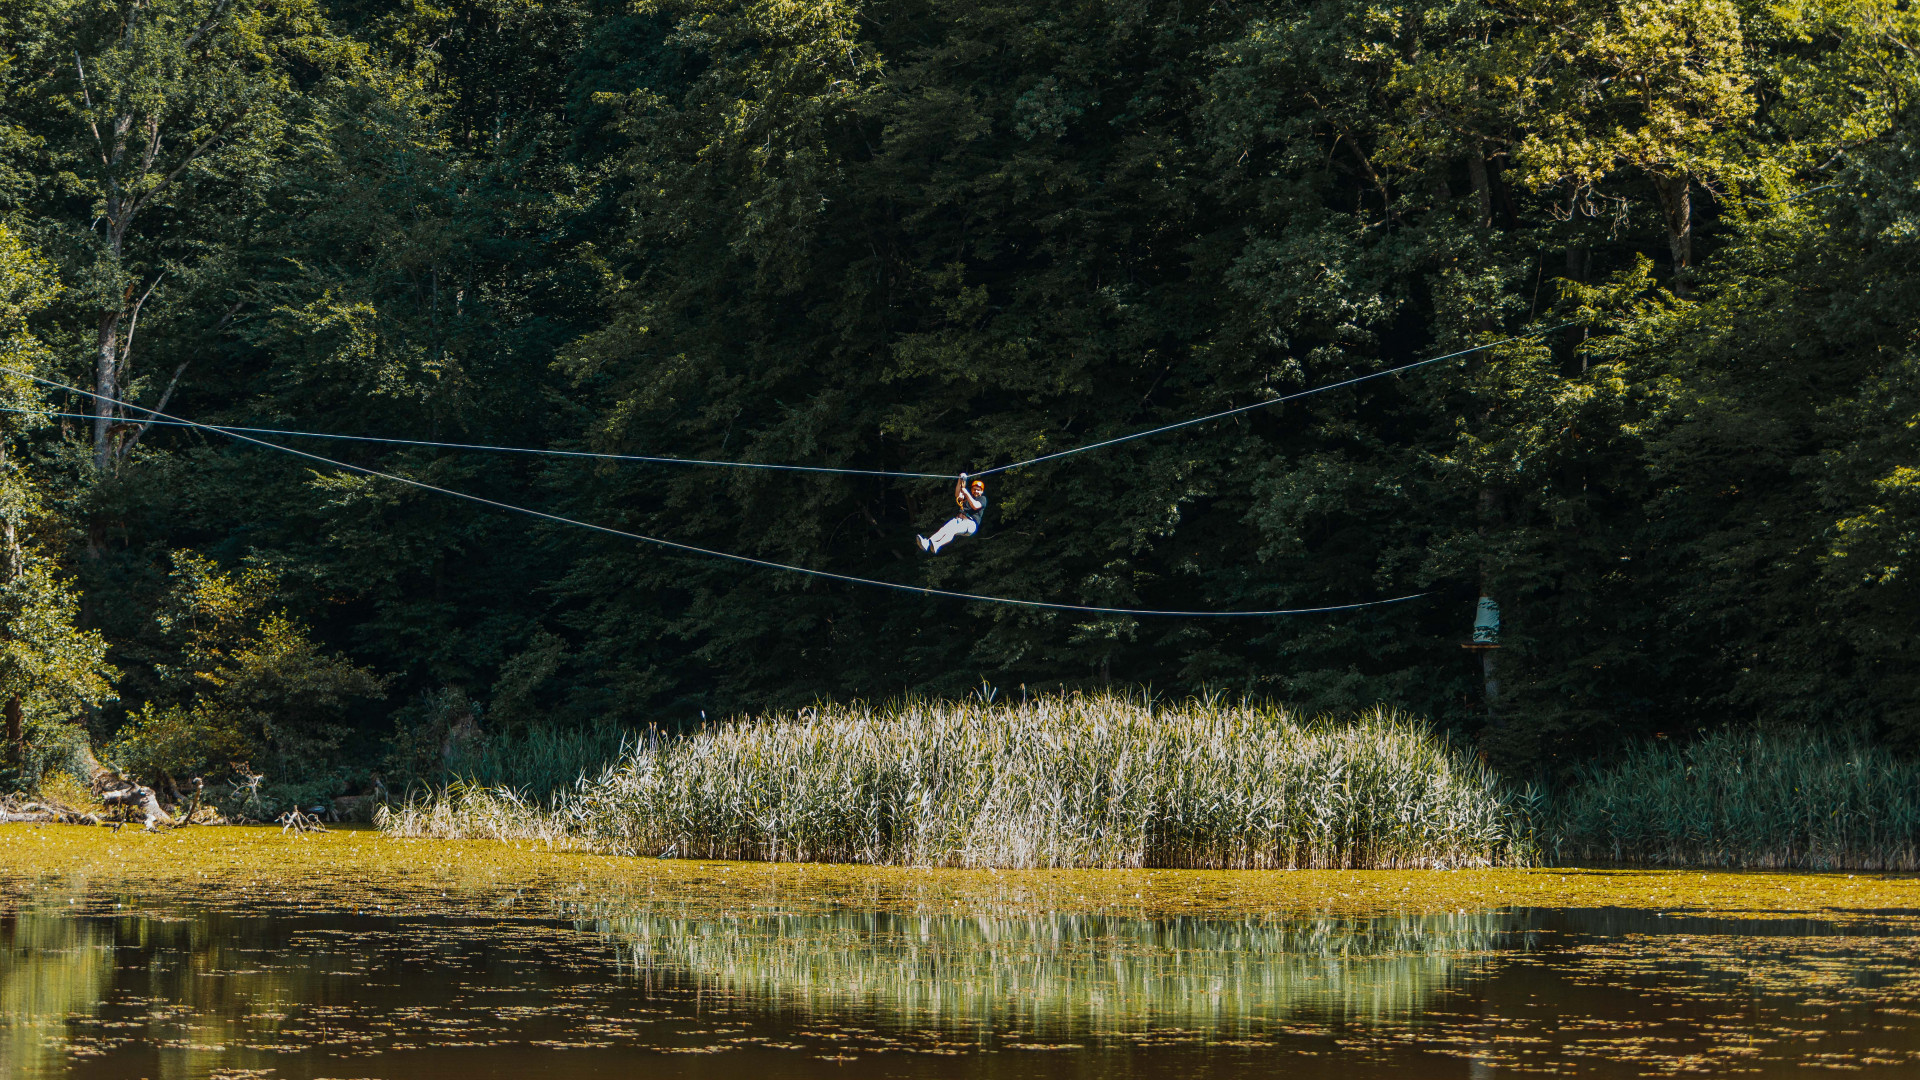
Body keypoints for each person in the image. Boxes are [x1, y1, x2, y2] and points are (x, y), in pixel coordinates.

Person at [917, 474, 987, 554]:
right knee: (943, 530)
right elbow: (957, 495)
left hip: (970, 523)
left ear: (982, 491)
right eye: (974, 489)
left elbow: (975, 506)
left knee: (952, 530)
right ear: (972, 490)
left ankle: (937, 544)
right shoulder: (967, 498)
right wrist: (960, 480)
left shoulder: (982, 499)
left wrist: (966, 492)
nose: (976, 491)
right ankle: (927, 542)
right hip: (959, 520)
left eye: (978, 490)